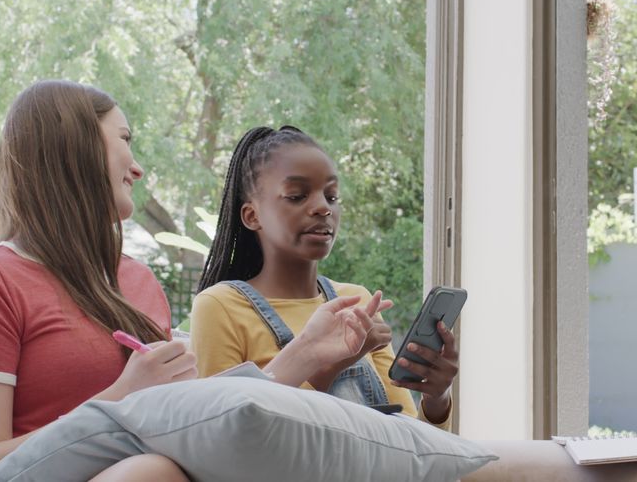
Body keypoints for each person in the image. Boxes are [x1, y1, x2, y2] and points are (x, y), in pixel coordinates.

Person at [0, 81, 379, 482]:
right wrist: (122, 397)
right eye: (125, 140)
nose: (138, 169)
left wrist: (305, 354)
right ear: (74, 149)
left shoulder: (138, 280)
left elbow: (198, 425)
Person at [190, 126, 460, 427]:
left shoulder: (357, 299)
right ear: (252, 216)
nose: (322, 208)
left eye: (332, 196)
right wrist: (331, 365)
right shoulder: (220, 306)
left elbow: (408, 439)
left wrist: (437, 399)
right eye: (296, 196)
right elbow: (222, 436)